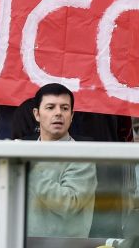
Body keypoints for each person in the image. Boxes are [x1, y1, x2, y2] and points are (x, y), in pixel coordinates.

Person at [26, 83, 97, 238]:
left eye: (64, 108)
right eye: (50, 107)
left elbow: (70, 204)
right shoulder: (21, 151)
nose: (58, 113)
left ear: (71, 116)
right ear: (37, 114)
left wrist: (27, 170)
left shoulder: (81, 156)